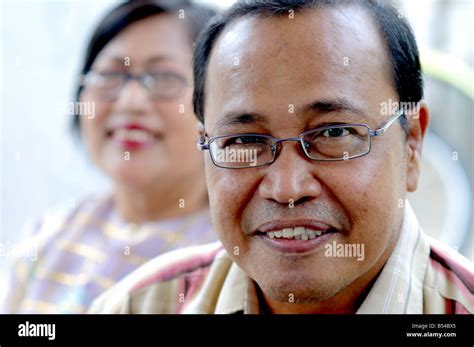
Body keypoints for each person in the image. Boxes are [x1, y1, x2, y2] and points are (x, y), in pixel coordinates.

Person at [89, 0, 473, 314]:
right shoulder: (139, 307)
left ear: (412, 144)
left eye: (334, 133)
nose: (287, 188)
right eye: (243, 140)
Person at [2, 0, 217, 314]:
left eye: (163, 79)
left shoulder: (236, 256)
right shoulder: (47, 235)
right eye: (110, 75)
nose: (131, 102)